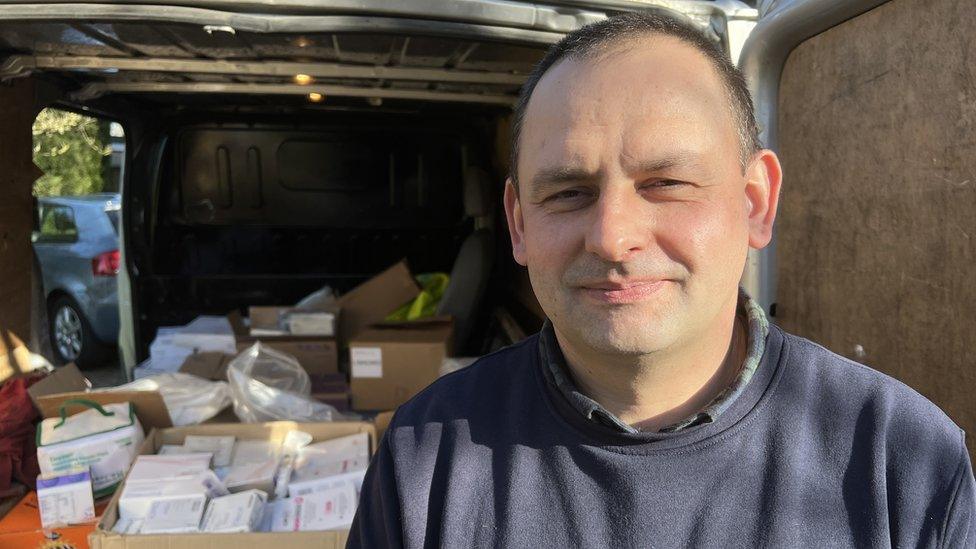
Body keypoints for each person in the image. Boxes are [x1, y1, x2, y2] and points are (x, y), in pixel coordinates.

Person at [347, 11, 975, 548]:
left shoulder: (899, 459)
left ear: (755, 202)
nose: (612, 237)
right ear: (518, 224)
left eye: (666, 184)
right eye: (569, 193)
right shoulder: (426, 458)